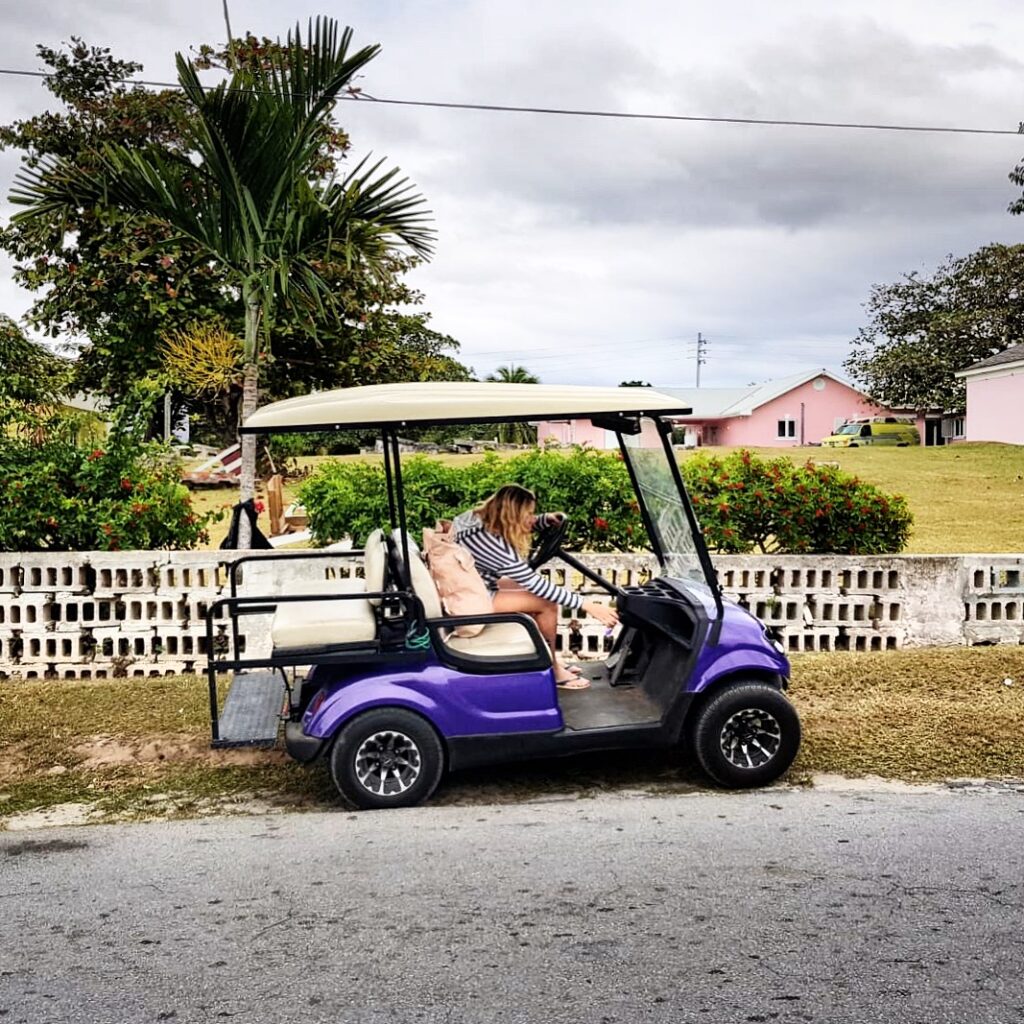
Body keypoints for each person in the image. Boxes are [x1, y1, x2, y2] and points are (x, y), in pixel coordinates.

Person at [452, 484, 619, 689]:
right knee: (545, 602)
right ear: (512, 515)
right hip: (472, 599)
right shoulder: (495, 546)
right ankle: (554, 670)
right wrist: (588, 605)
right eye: (529, 514)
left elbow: (516, 530)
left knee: (526, 591)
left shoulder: (474, 519)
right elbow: (535, 584)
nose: (532, 518)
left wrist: (543, 520)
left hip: (472, 585)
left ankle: (545, 656)